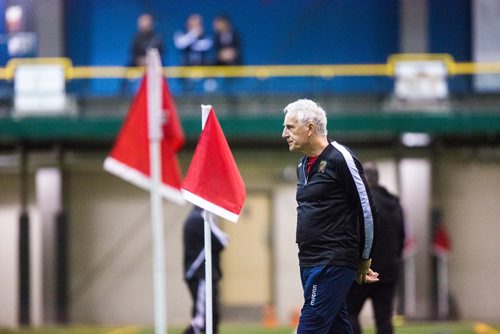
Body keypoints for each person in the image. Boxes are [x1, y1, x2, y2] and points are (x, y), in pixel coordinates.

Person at [282, 99, 379, 333]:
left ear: (310, 128)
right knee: (338, 327)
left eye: (290, 127)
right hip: (308, 259)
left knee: (310, 326)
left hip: (332, 260)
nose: (284, 134)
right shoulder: (301, 165)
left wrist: (364, 258)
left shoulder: (340, 158)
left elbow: (367, 210)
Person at [347, 162, 405, 334]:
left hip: (362, 270)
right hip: (389, 271)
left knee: (350, 313)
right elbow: (402, 237)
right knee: (384, 319)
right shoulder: (395, 204)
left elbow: (353, 235)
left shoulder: (360, 202)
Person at [183, 205, 228, 334]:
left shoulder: (196, 217)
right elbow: (221, 241)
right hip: (201, 274)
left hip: (202, 273)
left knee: (211, 318)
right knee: (202, 320)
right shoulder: (200, 218)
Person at [122, 13, 164, 95]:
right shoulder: (136, 38)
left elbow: (160, 54)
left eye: (145, 22)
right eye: (141, 22)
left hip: (154, 66)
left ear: (151, 24)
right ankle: (124, 96)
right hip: (136, 66)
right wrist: (139, 60)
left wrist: (147, 60)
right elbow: (133, 53)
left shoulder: (157, 38)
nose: (142, 25)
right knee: (127, 72)